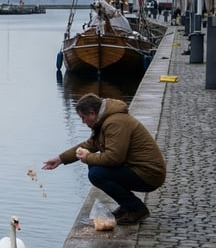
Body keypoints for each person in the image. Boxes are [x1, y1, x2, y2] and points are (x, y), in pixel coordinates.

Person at [42, 93, 165, 225]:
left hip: (149, 174)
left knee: (97, 173)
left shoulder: (114, 123)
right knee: (95, 168)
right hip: (137, 169)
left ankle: (136, 209)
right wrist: (60, 159)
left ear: (92, 113)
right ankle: (127, 206)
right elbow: (90, 144)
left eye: (83, 118)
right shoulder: (105, 121)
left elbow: (114, 158)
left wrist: (88, 157)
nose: (83, 122)